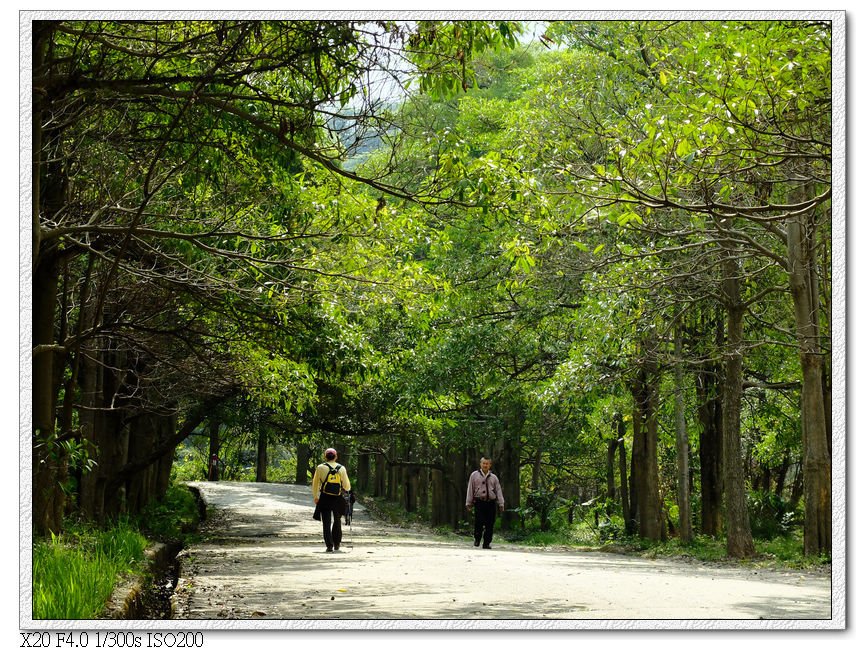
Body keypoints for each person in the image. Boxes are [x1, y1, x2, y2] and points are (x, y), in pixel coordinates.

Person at [312, 448, 351, 552]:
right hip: (337, 497)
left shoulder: (320, 468)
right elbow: (347, 486)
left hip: (325, 497)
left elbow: (315, 484)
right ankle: (337, 543)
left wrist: (316, 497)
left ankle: (329, 545)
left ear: (325, 456)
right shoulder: (341, 468)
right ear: (336, 456)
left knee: (326, 522)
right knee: (337, 521)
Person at [465, 456, 505, 549]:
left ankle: (487, 542)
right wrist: (468, 502)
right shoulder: (474, 475)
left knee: (490, 523)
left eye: (487, 463)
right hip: (479, 502)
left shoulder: (494, 477)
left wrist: (501, 503)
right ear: (480, 464)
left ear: (490, 465)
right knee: (478, 522)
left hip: (491, 503)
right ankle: (477, 539)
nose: (485, 465)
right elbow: (470, 489)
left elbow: (498, 490)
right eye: (483, 463)